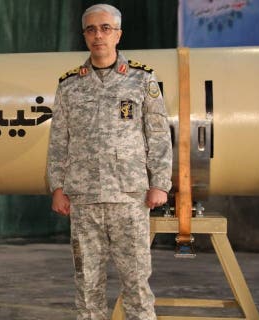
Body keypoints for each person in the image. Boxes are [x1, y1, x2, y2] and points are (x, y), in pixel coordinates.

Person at [46, 4, 172, 320]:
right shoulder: (69, 84)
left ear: (118, 34)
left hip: (129, 197)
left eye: (105, 28)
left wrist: (160, 183)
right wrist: (57, 187)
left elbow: (157, 134)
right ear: (84, 36)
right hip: (84, 199)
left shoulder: (143, 79)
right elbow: (59, 139)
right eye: (91, 29)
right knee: (87, 286)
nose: (98, 35)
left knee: (137, 285)